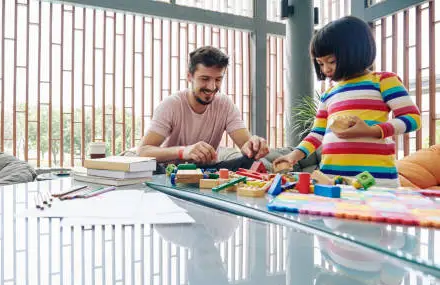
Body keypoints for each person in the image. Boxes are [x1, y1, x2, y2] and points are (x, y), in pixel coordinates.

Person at [274, 16, 421, 187]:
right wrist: (294, 156)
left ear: (356, 51)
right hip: (331, 180)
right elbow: (317, 134)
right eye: (320, 64)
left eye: (331, 61)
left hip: (376, 181)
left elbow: (412, 119)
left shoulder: (383, 81)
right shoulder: (328, 94)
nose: (326, 69)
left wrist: (371, 131)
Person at [137, 46, 269, 170]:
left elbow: (246, 145)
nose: (211, 87)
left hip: (208, 171)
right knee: (152, 169)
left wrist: (254, 146)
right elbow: (143, 151)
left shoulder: (225, 104)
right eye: (205, 79)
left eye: (218, 79)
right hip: (172, 172)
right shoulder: (171, 105)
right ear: (190, 76)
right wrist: (184, 151)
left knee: (251, 162)